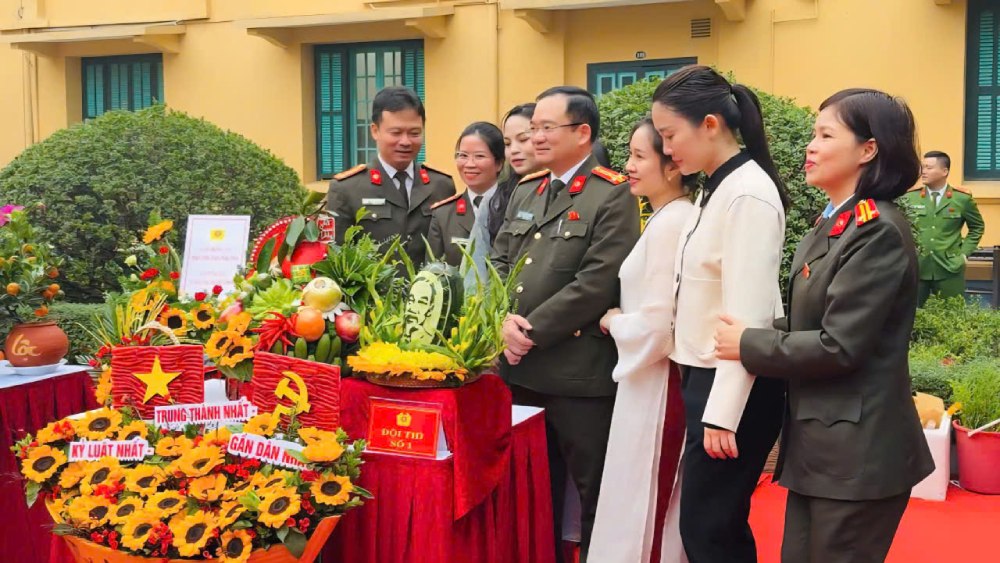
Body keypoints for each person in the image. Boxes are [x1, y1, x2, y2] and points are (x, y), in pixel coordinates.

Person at [715, 88, 935, 563]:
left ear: (868, 149)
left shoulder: (876, 230)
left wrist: (749, 343)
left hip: (857, 457)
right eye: (812, 133)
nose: (809, 146)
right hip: (823, 450)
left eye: (825, 134)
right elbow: (804, 323)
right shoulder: (832, 225)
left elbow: (840, 345)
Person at [491, 86, 640, 562]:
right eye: (532, 127)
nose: (535, 137)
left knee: (594, 493)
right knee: (531, 495)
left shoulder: (612, 193)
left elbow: (596, 283)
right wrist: (499, 321)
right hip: (519, 374)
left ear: (582, 132)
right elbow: (497, 264)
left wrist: (526, 333)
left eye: (546, 128)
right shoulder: (526, 189)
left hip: (578, 376)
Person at [651, 65, 788, 563]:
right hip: (709, 377)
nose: (668, 150)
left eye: (671, 134)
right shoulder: (719, 185)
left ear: (710, 124)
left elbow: (746, 317)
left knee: (708, 529)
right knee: (714, 525)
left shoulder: (747, 193)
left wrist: (723, 414)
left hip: (733, 383)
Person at [589, 117, 695, 563]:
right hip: (641, 380)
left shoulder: (674, 223)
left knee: (648, 499)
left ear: (672, 165)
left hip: (657, 383)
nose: (628, 166)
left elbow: (658, 326)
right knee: (634, 494)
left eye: (639, 156)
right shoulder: (664, 217)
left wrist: (613, 322)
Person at [326, 86, 456, 266]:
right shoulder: (346, 189)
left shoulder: (441, 185)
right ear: (375, 131)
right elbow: (336, 259)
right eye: (396, 133)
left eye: (414, 133)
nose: (405, 141)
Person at [900, 150, 985, 305]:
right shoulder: (909, 198)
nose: (923, 171)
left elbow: (977, 227)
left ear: (944, 171)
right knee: (912, 316)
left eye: (929, 168)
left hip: (950, 267)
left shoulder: (962, 199)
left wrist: (964, 255)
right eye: (923, 167)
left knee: (953, 316)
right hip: (918, 267)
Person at [428, 122, 504, 267]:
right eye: (463, 155)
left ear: (499, 163)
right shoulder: (444, 214)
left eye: (479, 156)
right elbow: (434, 272)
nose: (469, 164)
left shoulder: (514, 206)